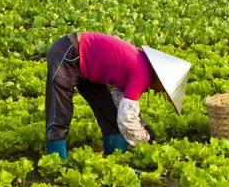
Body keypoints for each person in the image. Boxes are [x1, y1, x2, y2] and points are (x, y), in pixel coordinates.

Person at [45, 32, 191, 159]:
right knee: (59, 113)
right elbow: (126, 118)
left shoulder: (142, 66)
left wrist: (142, 125)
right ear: (161, 79)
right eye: (163, 89)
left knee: (108, 112)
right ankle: (55, 161)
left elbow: (120, 100)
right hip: (69, 52)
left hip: (89, 68)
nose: (160, 92)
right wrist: (143, 140)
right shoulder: (143, 74)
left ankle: (115, 158)